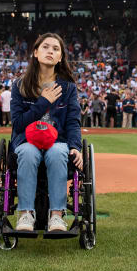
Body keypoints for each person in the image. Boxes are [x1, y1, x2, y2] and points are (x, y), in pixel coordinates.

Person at [10, 33, 83, 233]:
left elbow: (73, 122)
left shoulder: (68, 88)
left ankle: (57, 216)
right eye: (45, 47)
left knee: (58, 152)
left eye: (55, 49)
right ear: (35, 52)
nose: (50, 51)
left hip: (56, 141)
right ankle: (25, 214)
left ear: (60, 58)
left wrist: (76, 147)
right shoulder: (20, 85)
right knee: (27, 152)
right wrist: (43, 102)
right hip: (27, 140)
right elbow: (17, 124)